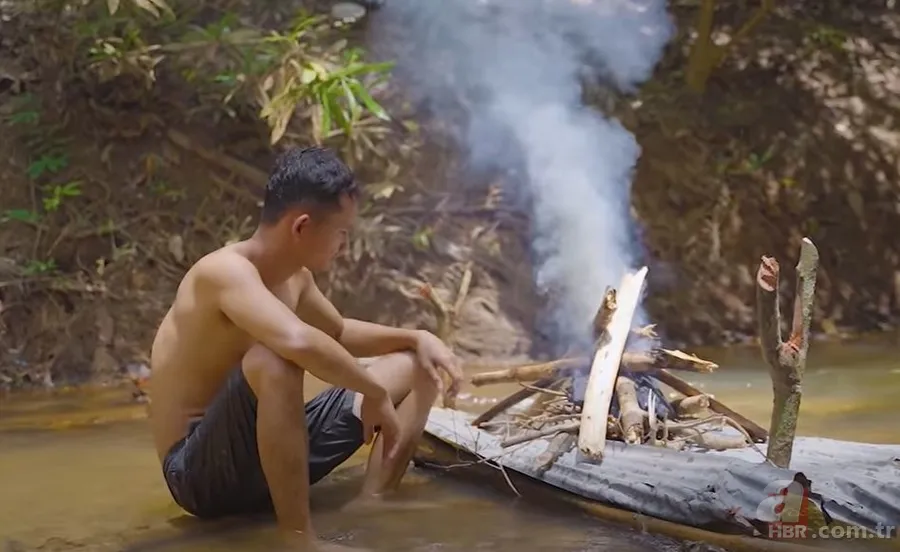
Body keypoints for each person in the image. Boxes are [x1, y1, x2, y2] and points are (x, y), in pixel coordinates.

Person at [148, 146, 463, 551]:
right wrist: (373, 390)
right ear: (301, 227)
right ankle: (298, 539)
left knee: (416, 365)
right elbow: (296, 341)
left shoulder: (296, 278)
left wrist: (417, 337)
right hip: (200, 475)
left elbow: (337, 331)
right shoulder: (223, 272)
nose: (345, 246)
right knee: (274, 357)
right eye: (341, 233)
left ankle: (373, 501)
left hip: (265, 463)